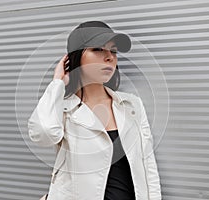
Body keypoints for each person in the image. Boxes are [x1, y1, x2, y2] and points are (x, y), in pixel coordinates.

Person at [28, 21, 161, 200]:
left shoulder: (131, 105)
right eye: (98, 49)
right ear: (74, 58)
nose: (109, 57)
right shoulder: (63, 109)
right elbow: (43, 133)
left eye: (113, 51)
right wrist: (57, 83)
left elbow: (148, 166)